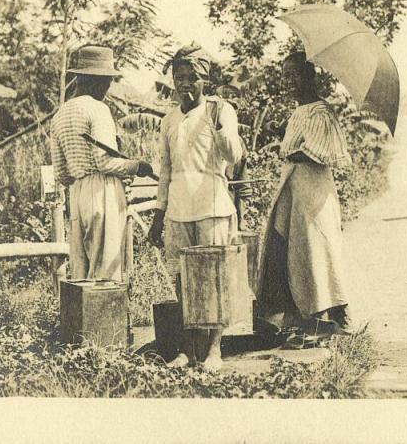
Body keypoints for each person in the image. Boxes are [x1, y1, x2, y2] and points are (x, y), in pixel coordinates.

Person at [148, 43, 245, 371]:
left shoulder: (221, 110)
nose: (184, 84)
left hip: (212, 207)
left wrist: (218, 122)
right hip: (178, 210)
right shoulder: (169, 120)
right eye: (179, 77)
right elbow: (166, 170)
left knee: (214, 278)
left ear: (206, 81)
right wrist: (158, 216)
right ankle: (188, 351)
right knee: (181, 282)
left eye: (192, 77)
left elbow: (234, 155)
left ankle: (214, 350)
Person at [256, 51, 354, 337]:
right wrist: (290, 152)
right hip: (294, 190)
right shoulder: (299, 112)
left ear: (310, 77)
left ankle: (337, 315)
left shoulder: (320, 112)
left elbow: (317, 152)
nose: (288, 81)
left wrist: (292, 152)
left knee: (318, 252)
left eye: (295, 75)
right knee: (292, 252)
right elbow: (293, 151)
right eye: (285, 76)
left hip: (313, 192)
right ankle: (301, 318)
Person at [50, 46, 155, 281]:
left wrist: (81, 178)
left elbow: (60, 173)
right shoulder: (97, 109)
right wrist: (135, 166)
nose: (107, 89)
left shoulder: (60, 115)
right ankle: (107, 318)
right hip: (102, 193)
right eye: (107, 82)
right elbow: (105, 162)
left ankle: (82, 318)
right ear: (97, 81)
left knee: (81, 271)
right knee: (105, 272)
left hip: (76, 195)